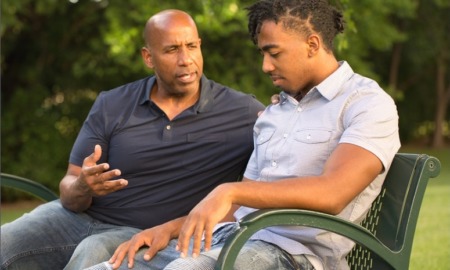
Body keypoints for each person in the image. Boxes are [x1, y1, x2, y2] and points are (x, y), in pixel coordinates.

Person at [0, 9, 265, 270]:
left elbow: (285, 146)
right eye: (172, 50)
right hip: (74, 218)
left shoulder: (242, 112)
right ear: (148, 57)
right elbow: (69, 188)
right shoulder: (112, 103)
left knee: (94, 250)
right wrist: (83, 186)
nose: (185, 59)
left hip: (145, 232)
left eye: (191, 46)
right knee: (5, 241)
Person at [161, 0, 401, 269]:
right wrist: (167, 230)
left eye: (274, 53)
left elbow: (333, 193)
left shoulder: (365, 103)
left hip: (294, 256)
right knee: (114, 265)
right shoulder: (276, 111)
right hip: (234, 238)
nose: (265, 66)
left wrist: (229, 190)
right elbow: (240, 206)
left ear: (312, 44)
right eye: (263, 54)